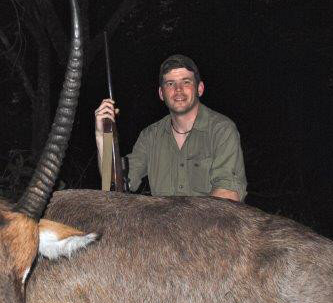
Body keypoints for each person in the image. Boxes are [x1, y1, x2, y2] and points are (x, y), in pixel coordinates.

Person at [94, 54, 247, 201]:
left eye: (186, 82)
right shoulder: (150, 136)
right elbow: (114, 182)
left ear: (200, 89)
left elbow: (228, 195)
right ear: (161, 93)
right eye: (170, 83)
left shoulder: (222, 129)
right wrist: (103, 135)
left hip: (212, 225)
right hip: (163, 226)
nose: (178, 89)